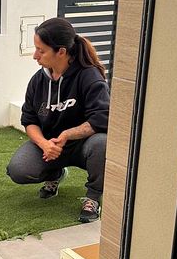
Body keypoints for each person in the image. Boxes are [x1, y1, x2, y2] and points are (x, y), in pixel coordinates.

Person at [6, 17, 109, 222]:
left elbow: (102, 118)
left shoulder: (89, 76)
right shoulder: (38, 80)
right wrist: (44, 144)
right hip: (50, 147)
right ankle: (55, 174)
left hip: (83, 146)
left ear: (61, 51)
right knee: (18, 170)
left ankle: (93, 197)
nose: (35, 55)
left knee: (102, 143)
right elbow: (29, 120)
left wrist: (68, 134)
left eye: (41, 50)